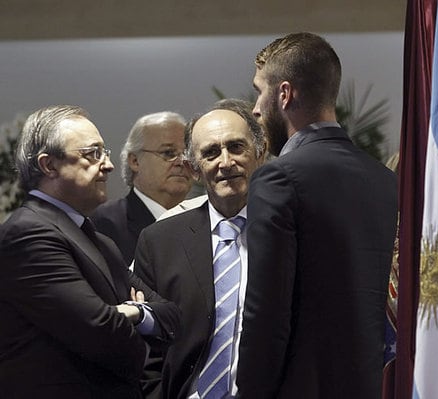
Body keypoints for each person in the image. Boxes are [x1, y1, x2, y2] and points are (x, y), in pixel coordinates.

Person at [236, 32, 398, 399]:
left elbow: (267, 315)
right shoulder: (385, 180)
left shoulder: (278, 178)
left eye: (259, 92)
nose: (256, 109)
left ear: (284, 94)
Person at [0, 105, 182, 399]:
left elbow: (173, 316)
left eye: (104, 152)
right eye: (92, 154)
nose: (108, 165)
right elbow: (102, 334)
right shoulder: (28, 234)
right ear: (49, 165)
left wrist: (133, 312)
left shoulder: (99, 241)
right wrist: (142, 323)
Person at [133, 99, 267, 399]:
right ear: (194, 168)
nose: (225, 162)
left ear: (260, 153)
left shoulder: (289, 234)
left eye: (236, 147)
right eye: (210, 153)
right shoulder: (159, 242)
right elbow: (145, 350)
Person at [91, 111, 193, 265]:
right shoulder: (105, 223)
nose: (181, 162)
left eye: (187, 154)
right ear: (135, 161)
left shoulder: (203, 221)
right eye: (168, 153)